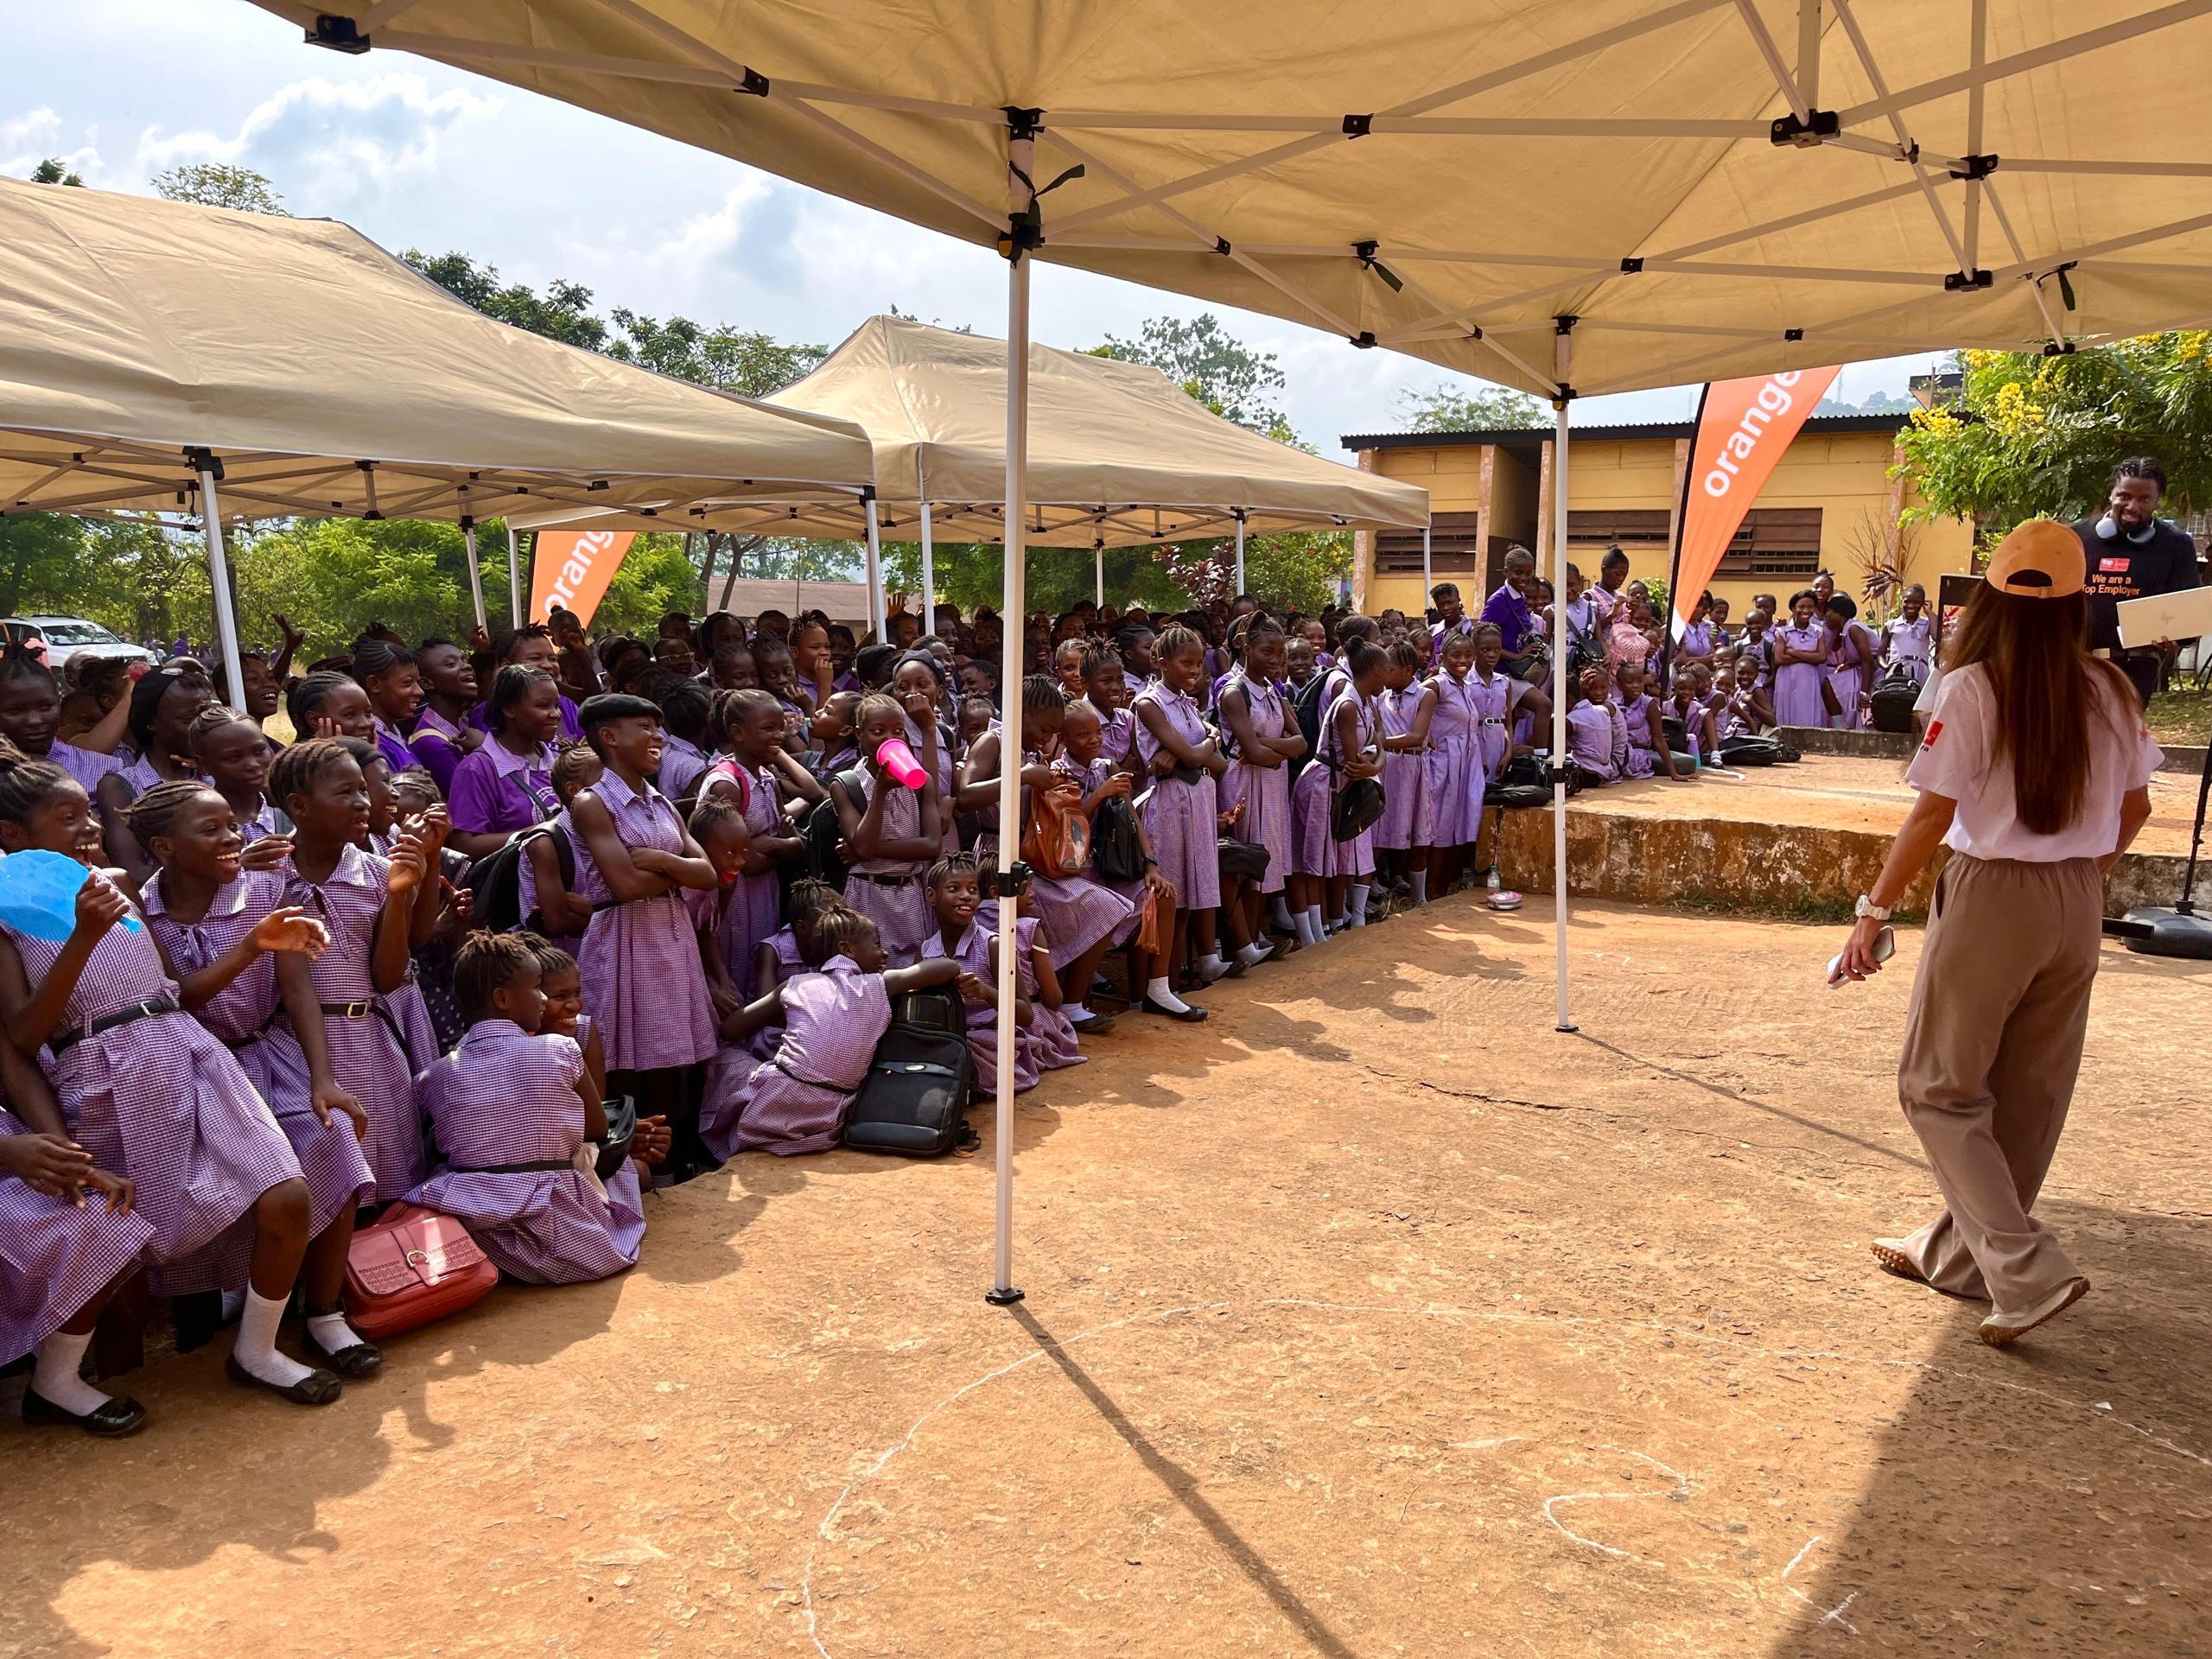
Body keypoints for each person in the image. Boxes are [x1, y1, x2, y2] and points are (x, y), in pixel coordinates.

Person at [1834, 520, 2161, 1345]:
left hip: (1994, 894)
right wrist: (2078, 878)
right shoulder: (2112, 689)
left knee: (1938, 1086)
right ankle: (1959, 1256)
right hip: (2076, 897)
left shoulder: (1972, 688)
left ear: (1989, 599)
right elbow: (2137, 808)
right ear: (2079, 603)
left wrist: (1873, 911)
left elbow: (1932, 814)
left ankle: (2024, 1268)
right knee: (2029, 1091)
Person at [0, 750, 342, 1407]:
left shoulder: (115, 883)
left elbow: (173, 991)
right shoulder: (6, 920)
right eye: (66, 818)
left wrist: (254, 945)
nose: (88, 827)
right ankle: (57, 1380)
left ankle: (257, 1350)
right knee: (117, 1235)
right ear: (13, 835)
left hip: (188, 1050)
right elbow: (21, 1036)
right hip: (102, 1071)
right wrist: (82, 935)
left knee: (286, 1194)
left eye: (88, 813)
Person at [130, 781, 378, 1378]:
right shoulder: (143, 911)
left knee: (334, 1143)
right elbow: (179, 1000)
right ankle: (235, 1318)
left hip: (271, 1053)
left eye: (232, 826)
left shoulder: (266, 888)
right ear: (164, 847)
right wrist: (248, 947)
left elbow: (297, 988)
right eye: (210, 830)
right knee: (214, 1188)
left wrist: (322, 1079)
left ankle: (324, 1314)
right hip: (193, 1067)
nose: (231, 839)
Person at [406, 933, 647, 1285]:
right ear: (502, 999)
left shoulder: (435, 1074)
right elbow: (597, 1129)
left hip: (476, 1221)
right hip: (560, 1226)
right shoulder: (561, 1049)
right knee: (624, 1168)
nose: (543, 999)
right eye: (536, 988)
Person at [271, 738, 443, 1203]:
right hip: (294, 1044)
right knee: (326, 1178)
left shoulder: (377, 872)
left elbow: (387, 978)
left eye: (362, 790)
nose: (362, 802)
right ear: (298, 806)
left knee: (388, 1173)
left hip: (369, 1036)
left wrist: (400, 895)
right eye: (344, 792)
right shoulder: (267, 875)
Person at [564, 693, 722, 1177]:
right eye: (645, 727)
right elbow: (624, 886)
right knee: (628, 1058)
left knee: (672, 1053)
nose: (657, 737)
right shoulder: (593, 802)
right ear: (610, 737)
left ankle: (670, 1163)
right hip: (622, 937)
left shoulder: (661, 803)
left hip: (669, 934)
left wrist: (661, 861)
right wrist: (679, 871)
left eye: (658, 727)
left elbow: (709, 873)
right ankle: (627, 1169)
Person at [700, 906, 957, 1159]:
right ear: (847, 949)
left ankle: (707, 1146)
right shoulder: (879, 984)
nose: (884, 953)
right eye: (877, 944)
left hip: (776, 1103)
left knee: (726, 1054)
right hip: (830, 1116)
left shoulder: (795, 985)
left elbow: (730, 1029)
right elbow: (948, 967)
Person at [1132, 625, 1229, 1017]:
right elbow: (1194, 756)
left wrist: (1202, 745)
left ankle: (1170, 985)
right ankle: (1155, 988)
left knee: (1188, 900)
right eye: (1186, 662)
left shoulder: (1188, 703)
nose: (1194, 670)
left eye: (1198, 662)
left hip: (1198, 801)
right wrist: (1205, 742)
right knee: (1166, 899)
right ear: (1161, 663)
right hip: (1170, 804)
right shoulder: (1149, 703)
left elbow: (1219, 764)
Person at [2069, 457, 2202, 705]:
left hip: (2135, 669)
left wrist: (2174, 635)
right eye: (2124, 496)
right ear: (2111, 494)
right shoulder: (2075, 537)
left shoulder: (2176, 545)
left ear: (2157, 500)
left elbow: (2186, 618)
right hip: (2074, 663)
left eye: (2144, 499)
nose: (2133, 506)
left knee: (2119, 732)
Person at [444, 664, 563, 860]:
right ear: (509, 709)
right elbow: (465, 845)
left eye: (556, 706)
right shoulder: (476, 769)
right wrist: (546, 830)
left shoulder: (557, 758)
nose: (555, 714)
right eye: (543, 706)